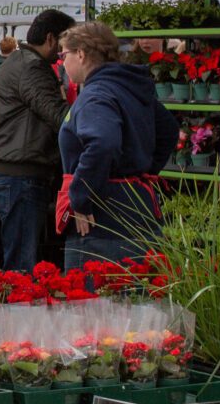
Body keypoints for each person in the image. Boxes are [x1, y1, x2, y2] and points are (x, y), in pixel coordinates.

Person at [58, 20, 178, 271]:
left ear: (80, 54)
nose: (63, 62)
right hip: (139, 209)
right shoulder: (128, 87)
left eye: (64, 54)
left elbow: (103, 143)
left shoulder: (96, 94)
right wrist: (141, 170)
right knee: (136, 305)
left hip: (104, 220)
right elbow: (169, 130)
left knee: (92, 307)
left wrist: (81, 196)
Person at [0, 11, 74, 273]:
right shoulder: (32, 67)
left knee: (20, 259)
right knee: (22, 267)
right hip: (20, 178)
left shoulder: (18, 61)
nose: (65, 52)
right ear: (50, 38)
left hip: (15, 176)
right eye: (65, 44)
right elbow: (58, 116)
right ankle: (18, 312)